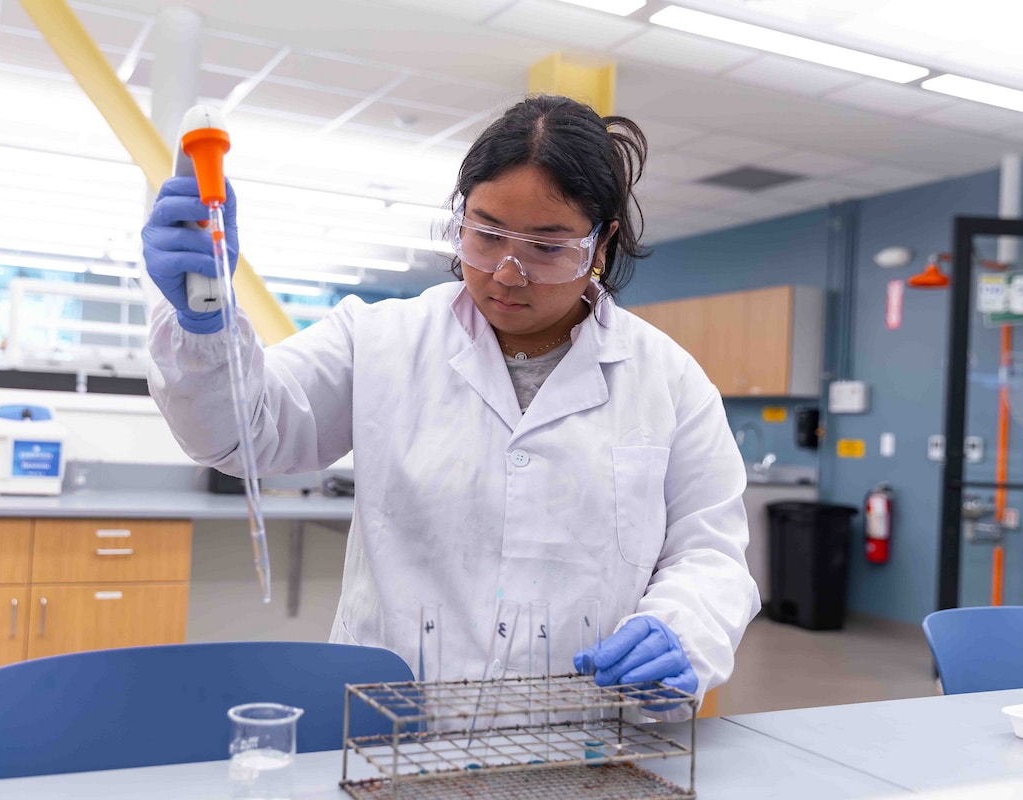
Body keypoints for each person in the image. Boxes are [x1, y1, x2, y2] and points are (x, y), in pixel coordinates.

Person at [143, 94, 759, 717]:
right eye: (488, 235)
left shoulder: (670, 381)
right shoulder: (378, 340)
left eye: (548, 247)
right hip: (390, 728)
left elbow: (709, 551)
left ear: (601, 246)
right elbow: (242, 434)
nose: (508, 273)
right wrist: (206, 322)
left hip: (582, 731)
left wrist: (682, 627)